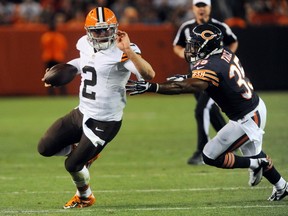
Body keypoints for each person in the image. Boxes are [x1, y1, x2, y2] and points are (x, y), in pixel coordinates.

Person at [126, 23, 288, 201]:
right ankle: (281, 186)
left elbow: (188, 87)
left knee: (210, 155)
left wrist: (153, 87)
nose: (191, 48)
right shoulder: (223, 53)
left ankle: (257, 164)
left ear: (208, 45)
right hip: (250, 109)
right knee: (252, 153)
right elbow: (211, 77)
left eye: (195, 44)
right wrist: (190, 77)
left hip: (248, 118)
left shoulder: (212, 65)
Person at [37, 7, 155, 209]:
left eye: (106, 29)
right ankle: (80, 149)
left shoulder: (124, 50)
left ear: (116, 29)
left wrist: (128, 50)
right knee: (45, 148)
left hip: (105, 121)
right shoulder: (83, 43)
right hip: (82, 111)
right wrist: (62, 71)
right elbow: (85, 62)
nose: (101, 34)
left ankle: (85, 196)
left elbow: (148, 74)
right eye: (97, 30)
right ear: (88, 31)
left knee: (72, 165)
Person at [172, 0, 238, 165]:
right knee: (212, 112)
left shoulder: (219, 26)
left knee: (202, 109)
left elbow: (233, 41)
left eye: (204, 5)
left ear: (210, 7)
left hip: (213, 76)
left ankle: (201, 151)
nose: (201, 9)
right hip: (195, 74)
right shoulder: (187, 27)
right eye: (198, 6)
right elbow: (177, 46)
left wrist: (225, 57)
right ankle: (232, 142)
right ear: (193, 8)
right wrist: (184, 54)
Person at [40, 19, 68, 96]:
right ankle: (63, 93)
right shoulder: (60, 37)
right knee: (61, 76)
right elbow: (64, 47)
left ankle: (51, 93)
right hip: (58, 58)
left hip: (48, 58)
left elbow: (43, 46)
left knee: (49, 77)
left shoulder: (45, 36)